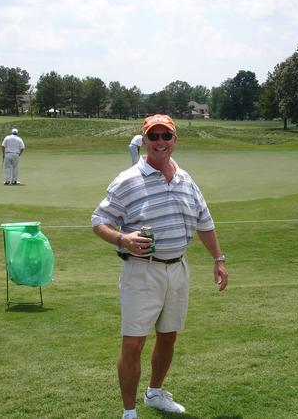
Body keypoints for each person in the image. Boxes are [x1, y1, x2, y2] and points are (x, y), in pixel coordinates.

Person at [92, 114, 228, 419]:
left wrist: (218, 259)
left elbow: (204, 222)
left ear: (175, 141)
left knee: (168, 335)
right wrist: (122, 238)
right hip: (142, 270)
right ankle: (129, 413)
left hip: (178, 268)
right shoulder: (127, 180)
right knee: (134, 341)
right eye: (153, 137)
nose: (160, 143)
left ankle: (154, 393)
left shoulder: (185, 179)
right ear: (144, 141)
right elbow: (98, 221)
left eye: (166, 136)